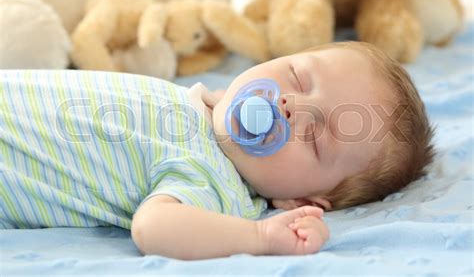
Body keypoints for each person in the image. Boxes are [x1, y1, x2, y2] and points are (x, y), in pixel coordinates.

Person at [0, 42, 435, 260]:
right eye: (299, 78)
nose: (290, 106)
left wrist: (261, 238)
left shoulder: (216, 182)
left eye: (314, 137)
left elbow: (153, 228)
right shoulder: (199, 102)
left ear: (299, 200)